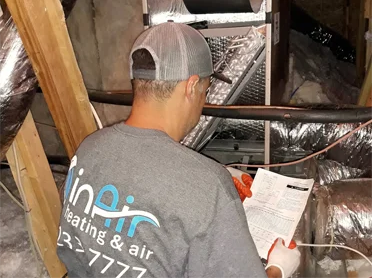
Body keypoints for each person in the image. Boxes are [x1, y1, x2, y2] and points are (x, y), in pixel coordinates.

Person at [57, 22, 300, 278]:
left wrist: (211, 176)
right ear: (191, 87)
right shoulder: (207, 186)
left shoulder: (89, 149)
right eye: (205, 91)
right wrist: (278, 269)